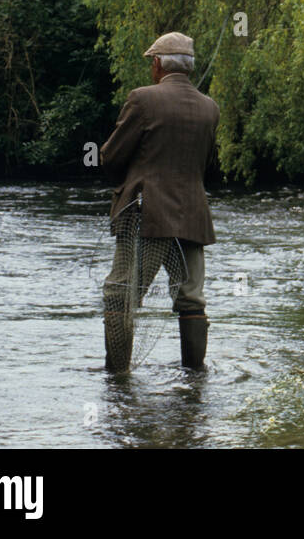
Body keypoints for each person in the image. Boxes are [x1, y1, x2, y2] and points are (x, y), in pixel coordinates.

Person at [99, 32, 220, 372]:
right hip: (194, 216)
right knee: (191, 299)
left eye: (150, 62)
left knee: (119, 295)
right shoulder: (210, 108)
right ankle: (194, 379)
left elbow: (111, 157)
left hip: (146, 215)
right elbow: (207, 166)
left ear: (157, 64)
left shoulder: (142, 99)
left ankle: (117, 378)